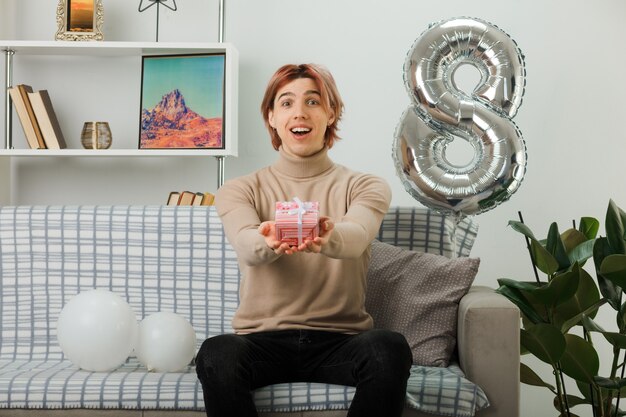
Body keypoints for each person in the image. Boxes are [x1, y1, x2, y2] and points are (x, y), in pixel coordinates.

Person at [195, 63, 412, 417]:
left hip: (340, 343)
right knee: (217, 352)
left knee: (388, 347)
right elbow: (247, 246)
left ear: (331, 114)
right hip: (260, 342)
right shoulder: (238, 189)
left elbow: (356, 237)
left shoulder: (366, 186)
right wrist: (268, 240)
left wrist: (327, 236)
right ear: (271, 116)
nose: (299, 113)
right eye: (286, 103)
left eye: (313, 102)